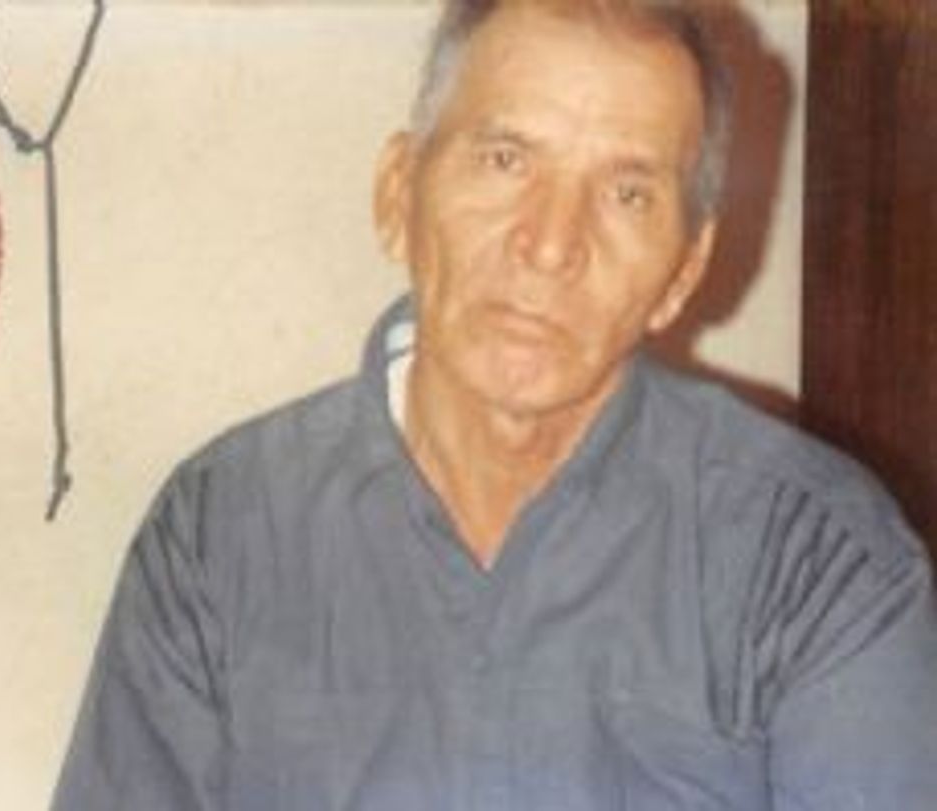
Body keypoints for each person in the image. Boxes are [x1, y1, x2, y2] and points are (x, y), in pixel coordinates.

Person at [52, 1, 937, 808]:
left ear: (682, 273)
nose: (551, 243)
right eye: (505, 159)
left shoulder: (818, 561)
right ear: (398, 194)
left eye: (627, 193)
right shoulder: (220, 534)